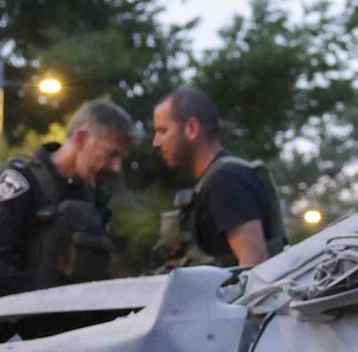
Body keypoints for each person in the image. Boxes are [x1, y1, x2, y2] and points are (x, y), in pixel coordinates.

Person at [0, 100, 140, 295]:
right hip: (20, 321)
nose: (116, 168)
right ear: (81, 139)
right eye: (111, 155)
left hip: (77, 322)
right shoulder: (21, 181)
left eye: (121, 159)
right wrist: (44, 302)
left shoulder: (95, 197)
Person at [151, 86, 285, 268]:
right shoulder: (217, 179)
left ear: (191, 128)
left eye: (163, 131)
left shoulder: (226, 181)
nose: (156, 142)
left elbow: (254, 265)